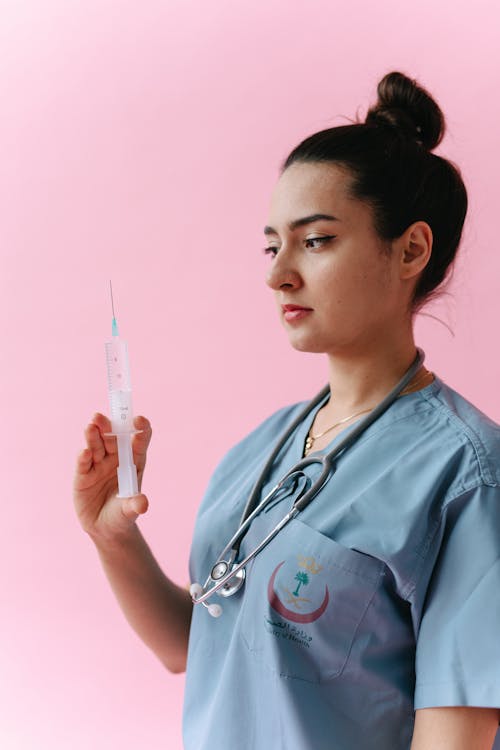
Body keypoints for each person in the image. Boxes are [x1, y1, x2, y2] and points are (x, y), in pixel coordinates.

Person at [73, 71, 500, 749]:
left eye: (317, 240)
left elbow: (459, 733)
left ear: (411, 249)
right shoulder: (265, 448)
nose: (278, 274)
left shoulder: (467, 476)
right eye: (273, 245)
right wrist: (111, 536)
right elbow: (197, 645)